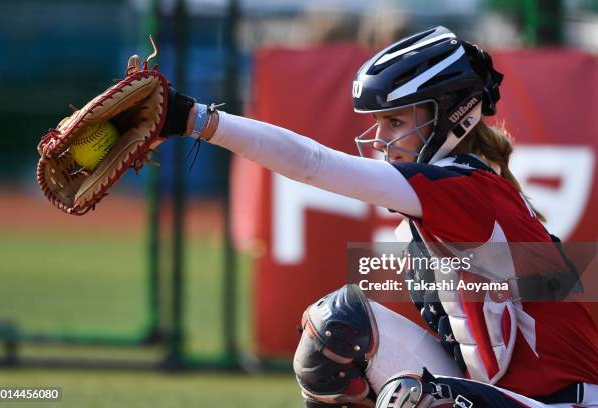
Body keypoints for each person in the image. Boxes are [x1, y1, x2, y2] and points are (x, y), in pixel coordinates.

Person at [160, 26, 598, 408]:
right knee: (336, 326)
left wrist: (194, 119)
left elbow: (313, 162)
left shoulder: (463, 190)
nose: (382, 139)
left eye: (394, 121)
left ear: (452, 115)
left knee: (417, 398)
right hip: (505, 397)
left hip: (561, 403)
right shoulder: (450, 195)